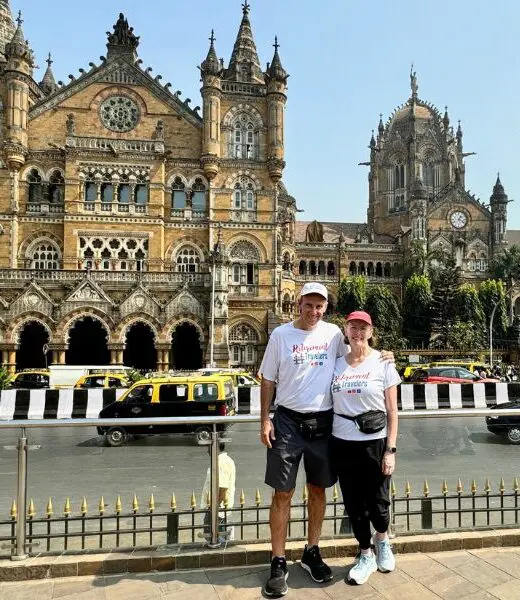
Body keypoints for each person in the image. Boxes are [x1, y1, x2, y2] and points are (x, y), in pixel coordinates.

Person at [259, 283, 393, 597]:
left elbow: (358, 355)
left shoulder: (333, 333)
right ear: (298, 304)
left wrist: (385, 355)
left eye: (320, 306)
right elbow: (267, 379)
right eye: (309, 305)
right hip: (288, 421)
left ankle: (312, 551)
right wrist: (264, 418)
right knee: (283, 492)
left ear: (325, 308)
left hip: (323, 423)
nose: (314, 311)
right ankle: (278, 559)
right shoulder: (281, 336)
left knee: (318, 490)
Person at [330, 311, 400, 585]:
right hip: (343, 442)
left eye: (363, 328)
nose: (358, 333)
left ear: (371, 332)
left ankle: (382, 539)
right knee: (354, 503)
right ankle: (365, 553)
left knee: (379, 503)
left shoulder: (383, 362)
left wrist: (390, 450)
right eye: (353, 328)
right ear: (345, 331)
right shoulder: (335, 364)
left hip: (375, 441)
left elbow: (392, 411)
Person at [200, 442, 236, 543]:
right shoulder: (221, 461)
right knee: (213, 535)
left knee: (216, 537)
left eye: (208, 447)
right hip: (216, 507)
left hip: (217, 509)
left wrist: (215, 507)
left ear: (214, 448)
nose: (207, 450)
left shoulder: (221, 462)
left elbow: (223, 488)